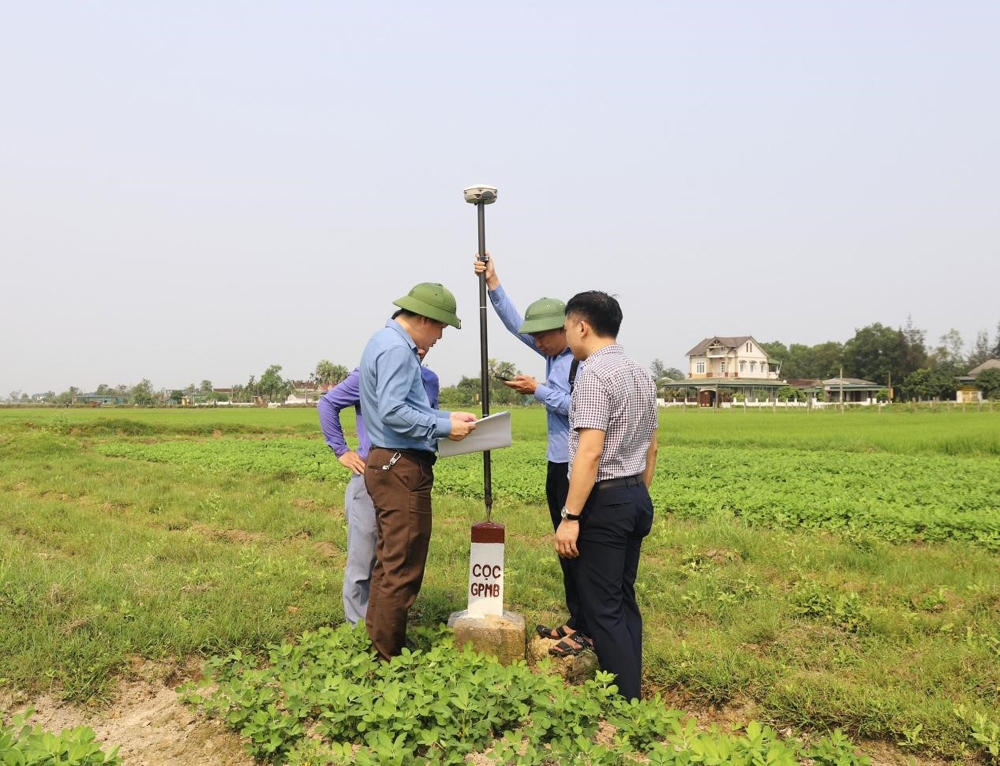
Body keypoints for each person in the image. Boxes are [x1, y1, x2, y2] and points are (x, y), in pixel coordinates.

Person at [473, 254, 591, 657]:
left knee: (579, 545)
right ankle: (577, 618)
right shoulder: (551, 353)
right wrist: (494, 284)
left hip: (577, 465)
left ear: (565, 330)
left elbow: (581, 410)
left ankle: (588, 626)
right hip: (556, 463)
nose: (536, 342)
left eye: (542, 336)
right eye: (535, 337)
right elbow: (512, 325)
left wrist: (538, 391)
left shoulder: (579, 363)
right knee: (564, 547)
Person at [359, 282, 478, 661]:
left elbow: (402, 405)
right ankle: (388, 658)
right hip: (400, 466)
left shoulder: (383, 341)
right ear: (424, 318)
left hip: (386, 462)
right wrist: (444, 428)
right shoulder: (397, 349)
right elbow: (394, 412)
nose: (441, 336)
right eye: (441, 327)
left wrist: (446, 417)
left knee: (389, 560)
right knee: (404, 565)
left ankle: (380, 644)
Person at [554, 290, 659, 702]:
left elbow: (590, 451)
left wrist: (571, 515)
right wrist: (635, 496)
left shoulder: (593, 375)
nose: (566, 337)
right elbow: (652, 447)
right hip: (634, 494)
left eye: (565, 328)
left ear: (581, 326)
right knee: (622, 599)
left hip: (605, 499)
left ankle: (626, 703)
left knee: (603, 607)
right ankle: (634, 690)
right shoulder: (640, 372)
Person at [317, 350, 440, 626]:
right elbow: (327, 404)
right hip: (372, 474)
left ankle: (385, 624)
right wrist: (341, 450)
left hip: (409, 477)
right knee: (364, 557)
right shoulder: (369, 374)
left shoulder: (428, 379)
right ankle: (358, 629)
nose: (419, 348)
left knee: (398, 556)